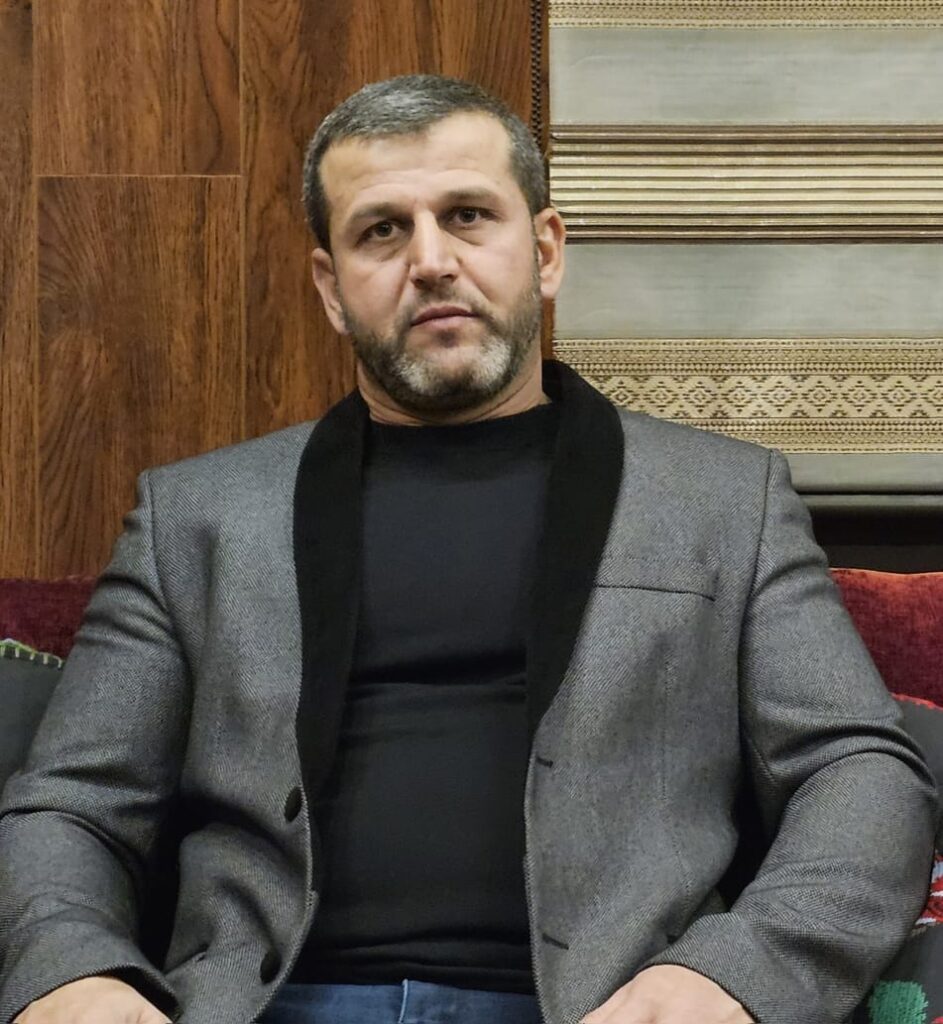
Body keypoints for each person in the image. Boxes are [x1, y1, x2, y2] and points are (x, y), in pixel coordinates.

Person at [0, 75, 937, 1024]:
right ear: (331, 288)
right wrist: (71, 973)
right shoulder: (192, 518)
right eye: (381, 231)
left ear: (545, 251)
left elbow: (859, 774)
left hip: (600, 1006)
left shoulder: (724, 503)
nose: (431, 261)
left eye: (467, 216)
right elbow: (73, 802)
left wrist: (733, 975)